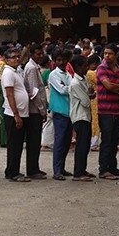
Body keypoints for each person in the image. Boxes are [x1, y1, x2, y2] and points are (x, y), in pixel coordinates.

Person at [96, 44, 119, 180]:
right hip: (105, 110)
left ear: (116, 55)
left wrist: (116, 87)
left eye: (110, 54)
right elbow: (108, 85)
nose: (107, 56)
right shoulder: (101, 69)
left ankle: (112, 167)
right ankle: (103, 169)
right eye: (105, 53)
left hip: (116, 110)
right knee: (106, 141)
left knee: (114, 140)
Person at [2, 48, 31, 182]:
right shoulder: (8, 73)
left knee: (18, 144)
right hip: (13, 114)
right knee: (14, 145)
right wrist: (16, 115)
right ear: (6, 60)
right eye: (13, 57)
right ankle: (12, 172)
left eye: (18, 57)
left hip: (21, 112)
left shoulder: (16, 71)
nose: (16, 59)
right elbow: (9, 94)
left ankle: (13, 170)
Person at [69, 55, 96, 182]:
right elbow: (86, 101)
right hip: (80, 116)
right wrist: (89, 95)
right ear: (78, 67)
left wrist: (89, 94)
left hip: (86, 115)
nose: (87, 67)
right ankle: (78, 172)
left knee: (85, 146)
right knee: (81, 145)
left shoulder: (84, 79)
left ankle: (82, 169)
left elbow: (90, 93)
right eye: (85, 65)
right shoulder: (75, 83)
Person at [23, 44, 48, 179]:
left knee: (35, 140)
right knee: (33, 140)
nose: (41, 56)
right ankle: (32, 169)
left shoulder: (34, 67)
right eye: (38, 54)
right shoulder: (31, 68)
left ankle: (35, 167)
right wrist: (42, 109)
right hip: (34, 110)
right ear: (31, 54)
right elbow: (34, 92)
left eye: (41, 53)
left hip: (36, 109)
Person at [48, 48, 73, 180]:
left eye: (64, 60)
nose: (62, 62)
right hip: (59, 111)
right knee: (59, 140)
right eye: (59, 60)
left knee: (66, 141)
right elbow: (62, 90)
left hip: (69, 111)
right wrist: (74, 88)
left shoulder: (68, 74)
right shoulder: (53, 75)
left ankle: (62, 167)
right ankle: (57, 170)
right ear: (55, 61)